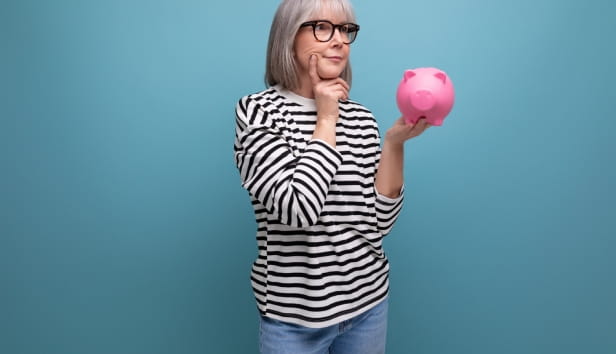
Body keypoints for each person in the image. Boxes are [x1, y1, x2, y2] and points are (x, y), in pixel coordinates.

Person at [233, 0, 430, 352]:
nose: (338, 39)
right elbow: (298, 210)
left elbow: (379, 224)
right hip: (293, 319)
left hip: (367, 306)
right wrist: (326, 119)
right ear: (288, 37)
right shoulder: (258, 112)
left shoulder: (361, 118)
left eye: (345, 30)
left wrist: (393, 145)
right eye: (322, 27)